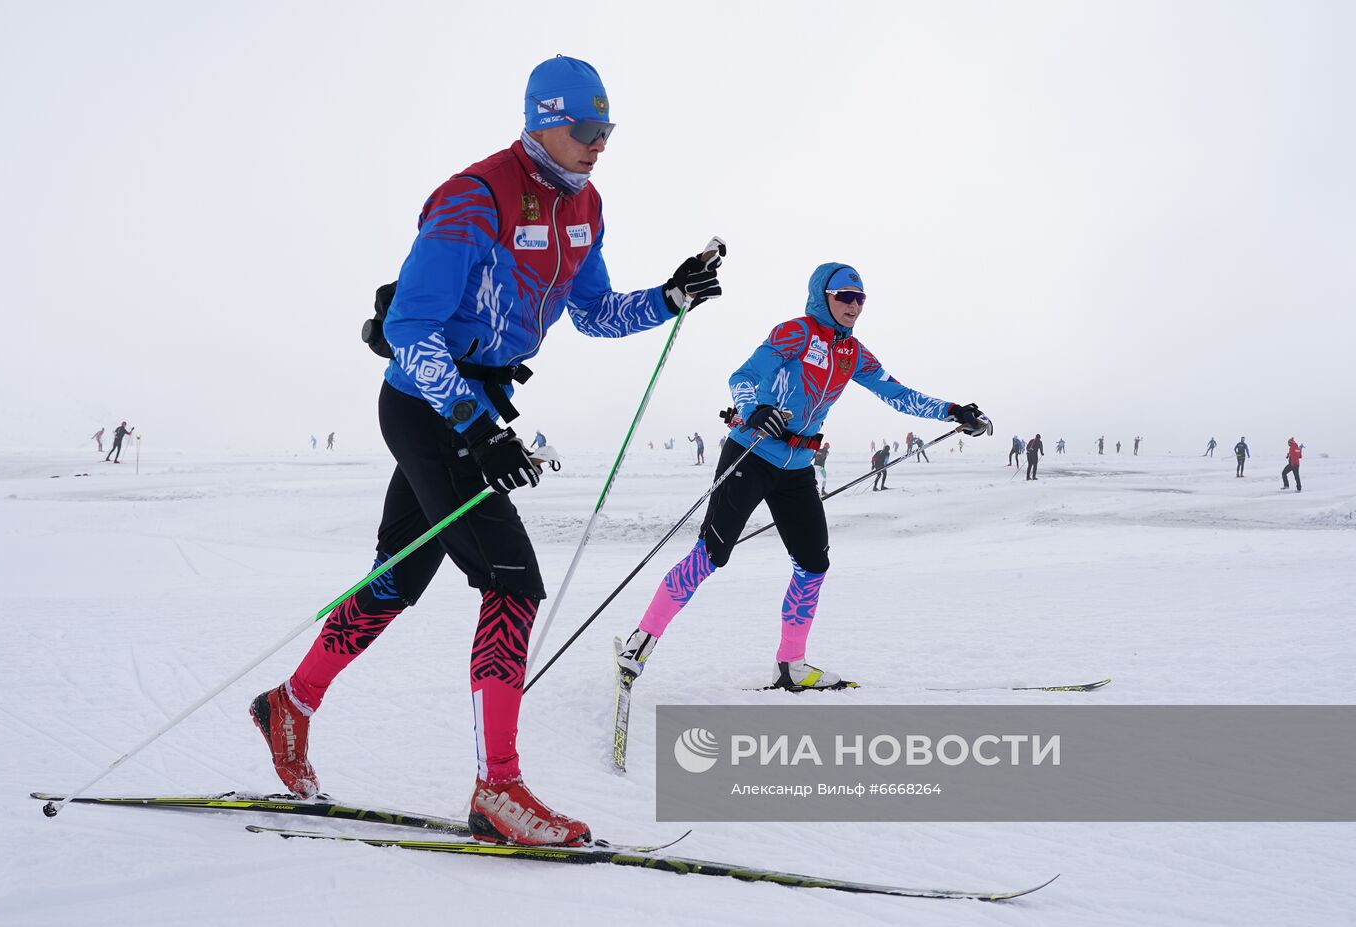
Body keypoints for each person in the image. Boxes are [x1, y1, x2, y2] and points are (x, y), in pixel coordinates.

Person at [247, 56, 725, 847]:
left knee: (398, 578)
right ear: (543, 119)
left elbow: (597, 312)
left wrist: (670, 296)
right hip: (429, 401)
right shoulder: (474, 197)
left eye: (608, 131)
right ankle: (497, 789)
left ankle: (287, 707)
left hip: (475, 407)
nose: (599, 144)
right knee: (513, 580)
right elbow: (408, 332)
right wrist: (474, 423)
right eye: (585, 129)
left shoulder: (586, 206)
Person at [615, 262, 990, 691]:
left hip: (797, 470)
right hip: (752, 452)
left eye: (860, 298)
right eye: (844, 296)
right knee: (711, 555)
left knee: (813, 564)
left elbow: (899, 394)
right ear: (823, 297)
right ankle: (639, 644)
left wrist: (953, 412)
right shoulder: (795, 332)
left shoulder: (854, 354)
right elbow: (744, 376)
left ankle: (791, 665)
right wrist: (755, 407)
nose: (853, 305)